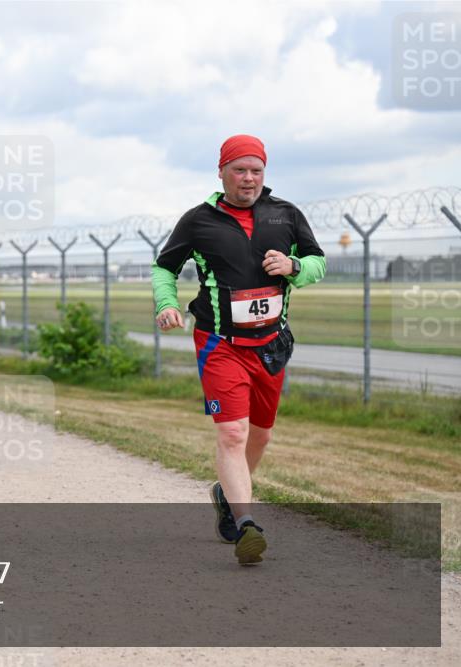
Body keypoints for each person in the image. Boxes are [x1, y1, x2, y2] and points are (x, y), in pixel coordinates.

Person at [151, 134, 326, 565]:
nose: (248, 178)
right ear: (222, 172)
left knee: (261, 435)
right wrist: (167, 303)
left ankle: (227, 494)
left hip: (270, 344)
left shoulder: (286, 214)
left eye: (256, 170)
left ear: (264, 174)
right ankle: (247, 522)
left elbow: (319, 262)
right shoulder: (198, 220)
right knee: (233, 432)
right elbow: (164, 267)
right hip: (219, 343)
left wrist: (295, 266)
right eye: (239, 170)